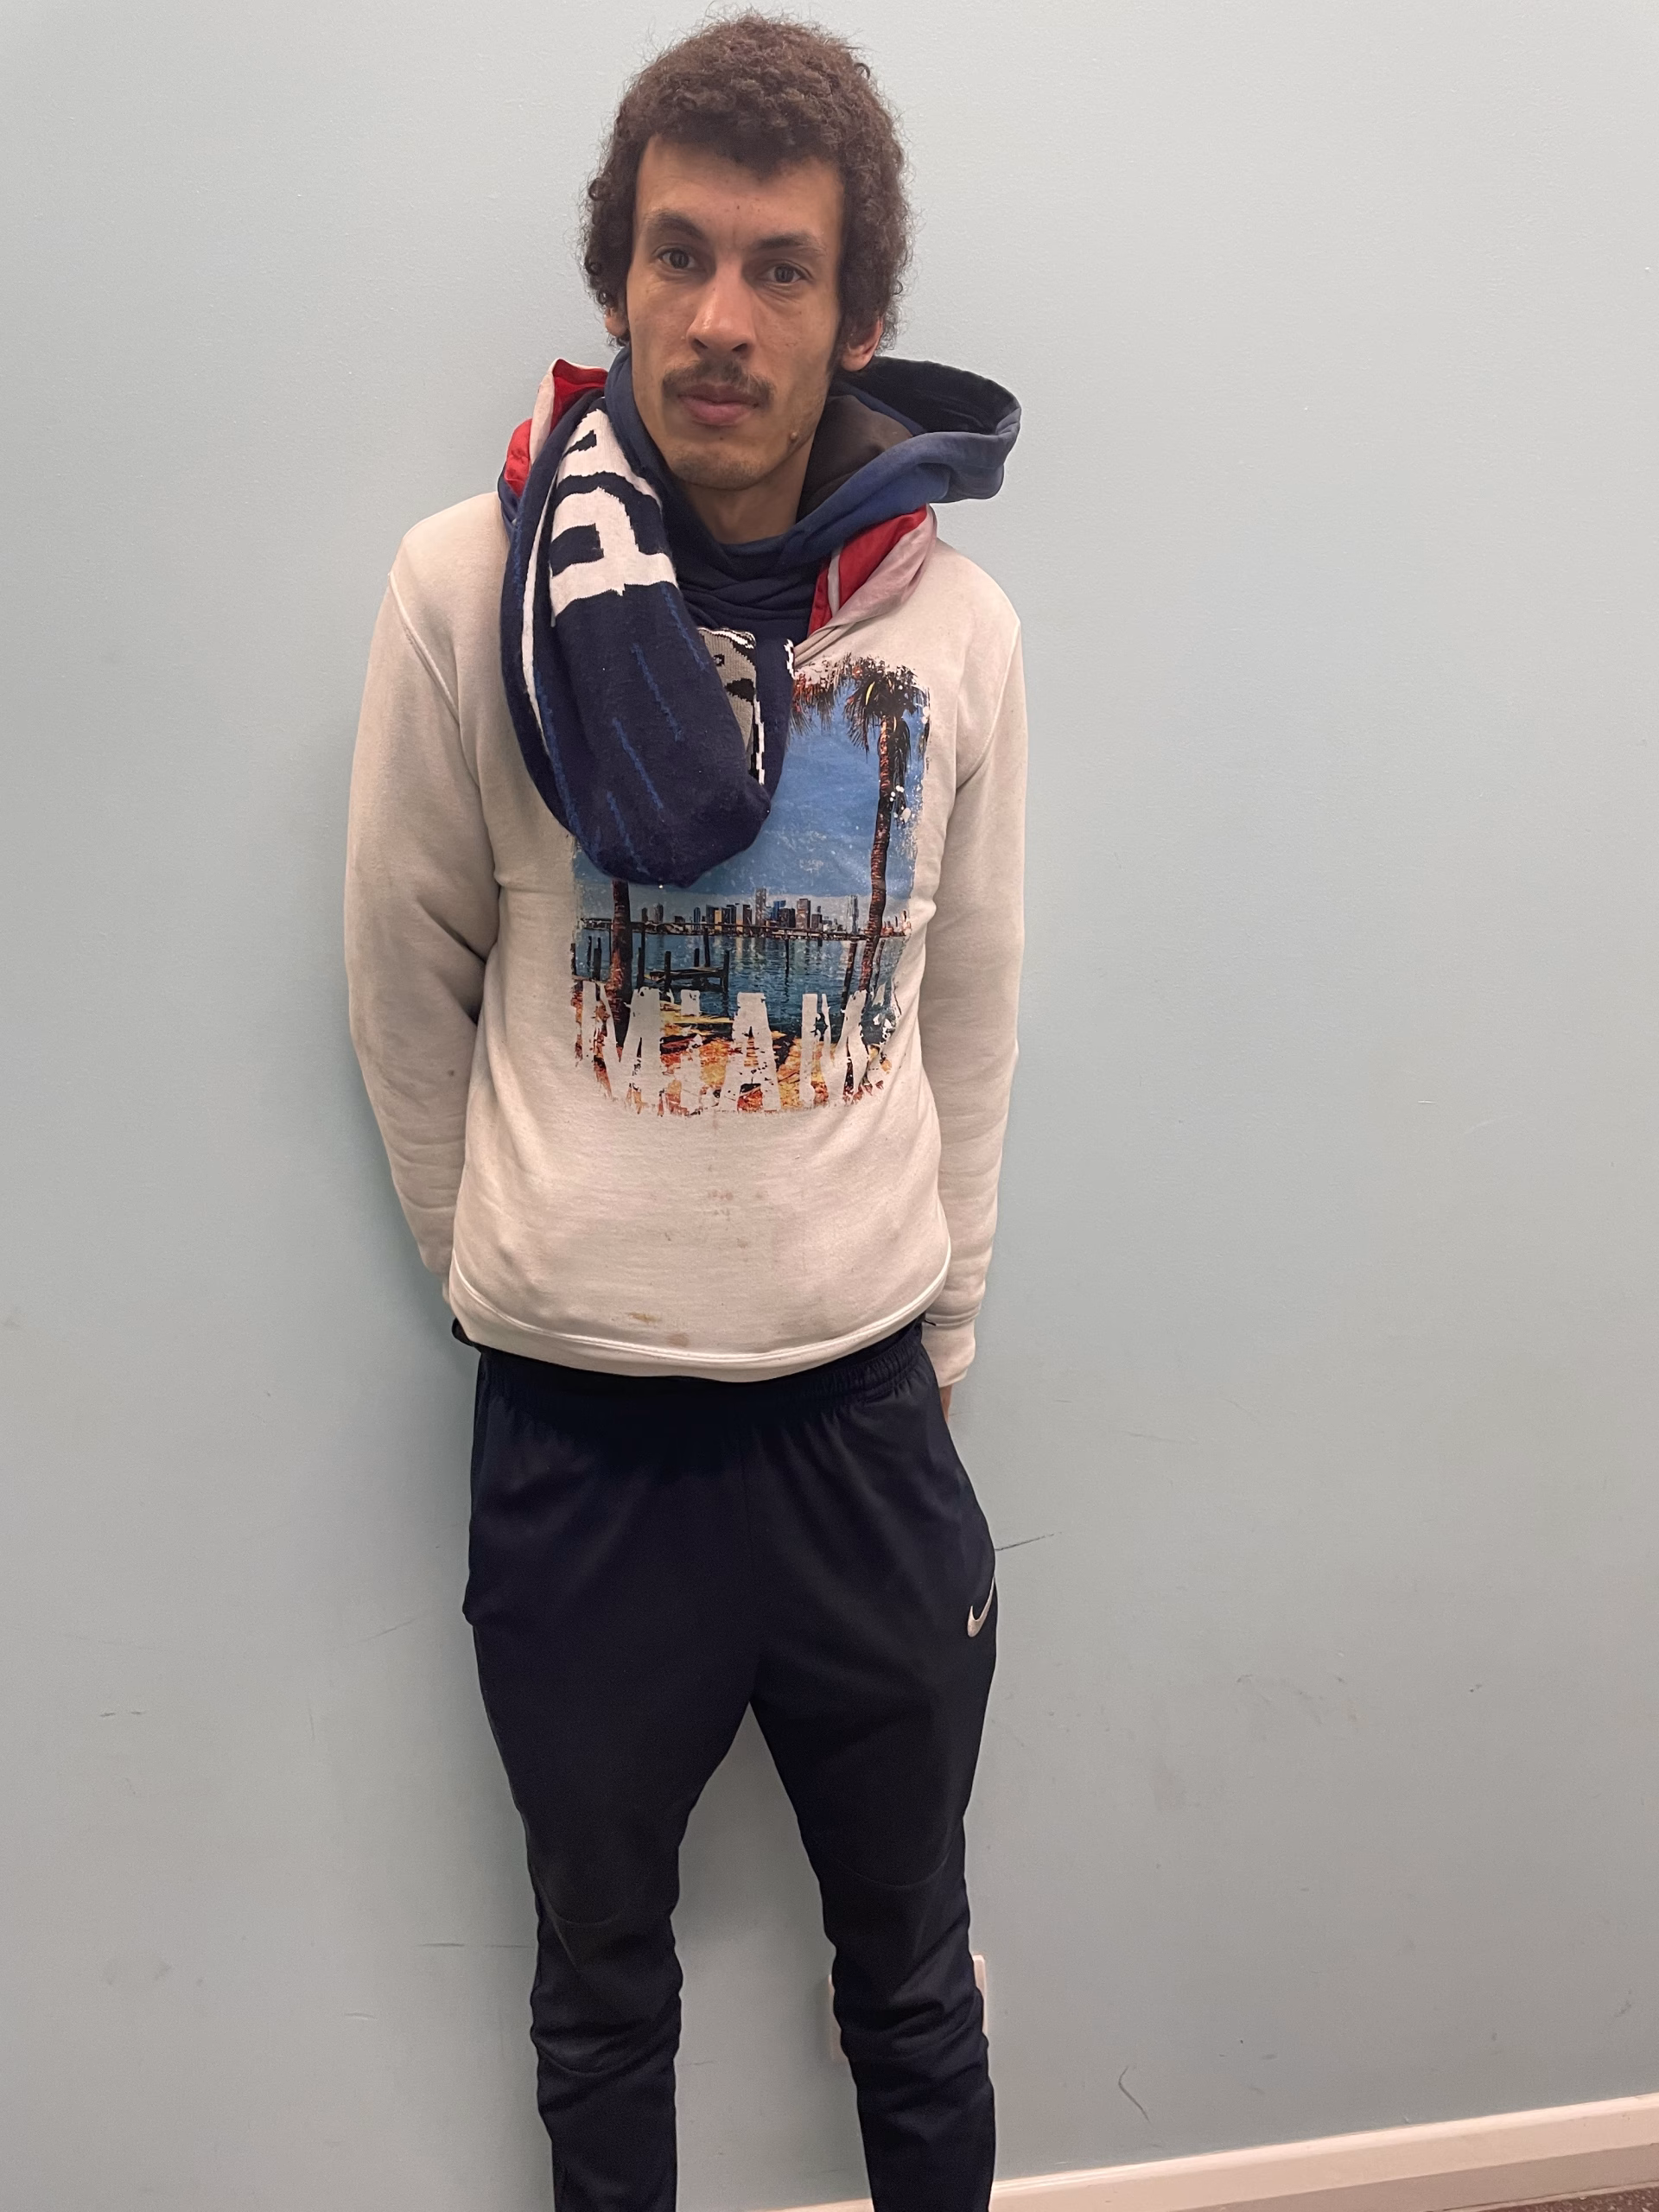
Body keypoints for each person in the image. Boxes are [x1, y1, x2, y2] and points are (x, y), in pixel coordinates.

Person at [345, 16, 1026, 2210]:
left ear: (859, 315)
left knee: (911, 1981)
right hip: (582, 1445)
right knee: (598, 1994)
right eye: (678, 254)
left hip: (864, 1427)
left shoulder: (959, 631)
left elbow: (969, 999)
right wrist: (508, 1269)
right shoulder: (469, 590)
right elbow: (405, 974)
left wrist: (943, 1337)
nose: (720, 315)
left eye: (781, 268)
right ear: (620, 276)